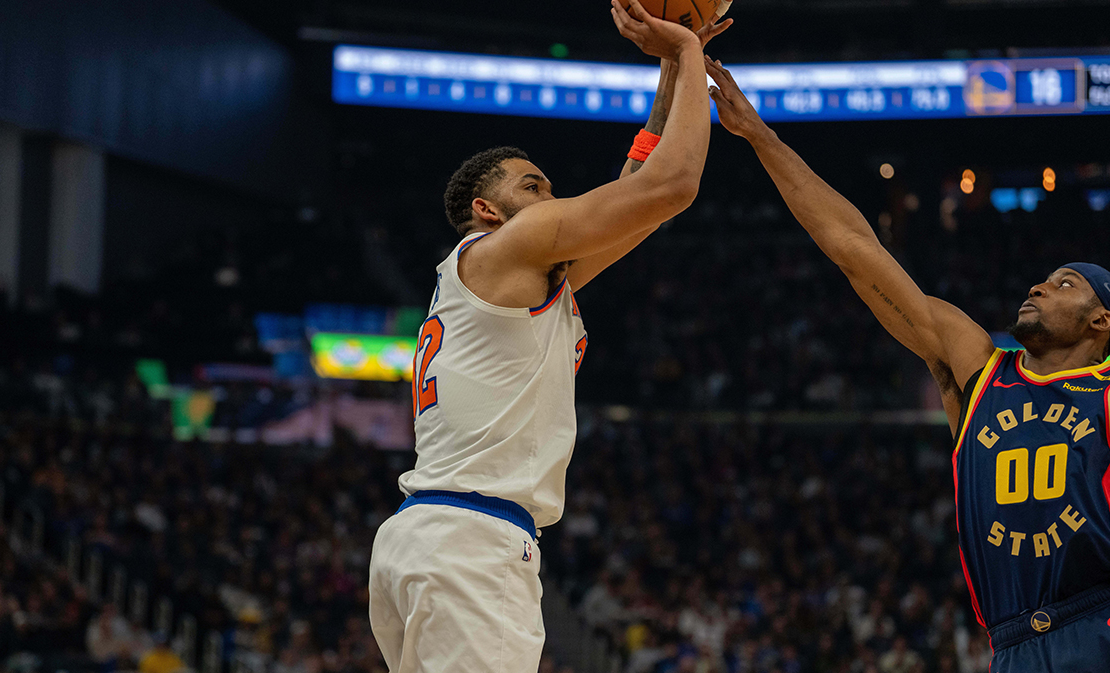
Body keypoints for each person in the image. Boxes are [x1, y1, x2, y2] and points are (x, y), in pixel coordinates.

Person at [704, 57, 1110, 671]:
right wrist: (762, 137)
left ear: (1101, 321)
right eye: (1045, 277)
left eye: (1066, 283)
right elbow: (855, 248)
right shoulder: (980, 372)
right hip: (1011, 645)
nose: (1041, 286)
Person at [367, 2, 730, 671]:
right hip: (470, 543)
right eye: (532, 186)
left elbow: (637, 201)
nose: (552, 199)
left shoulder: (510, 273)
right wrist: (682, 52)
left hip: (431, 535)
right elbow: (674, 186)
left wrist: (678, 73)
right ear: (487, 208)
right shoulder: (511, 245)